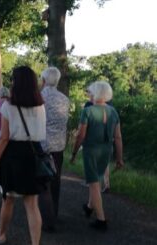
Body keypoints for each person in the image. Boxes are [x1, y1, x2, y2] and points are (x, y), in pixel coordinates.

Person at [0, 66, 46, 245]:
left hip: (14, 155)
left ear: (15, 82)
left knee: (9, 199)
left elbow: (4, 138)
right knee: (32, 204)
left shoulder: (8, 106)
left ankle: (1, 234)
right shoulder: (41, 105)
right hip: (34, 153)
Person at [70, 81, 124, 231]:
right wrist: (119, 158)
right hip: (106, 151)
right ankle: (89, 207)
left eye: (90, 92)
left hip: (91, 151)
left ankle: (101, 220)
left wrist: (74, 153)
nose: (89, 95)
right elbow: (118, 137)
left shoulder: (88, 111)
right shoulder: (113, 112)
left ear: (95, 94)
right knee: (97, 180)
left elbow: (80, 135)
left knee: (93, 184)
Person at [38, 67, 70, 231]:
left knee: (43, 182)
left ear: (43, 80)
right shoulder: (65, 99)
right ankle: (54, 213)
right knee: (56, 180)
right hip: (59, 145)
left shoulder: (39, 98)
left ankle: (46, 218)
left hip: (42, 145)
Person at [84, 87, 113, 193]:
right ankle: (106, 184)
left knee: (93, 163)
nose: (88, 95)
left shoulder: (88, 106)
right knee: (105, 163)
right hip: (107, 139)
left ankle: (94, 185)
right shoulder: (110, 107)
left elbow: (84, 125)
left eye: (89, 92)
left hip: (93, 139)